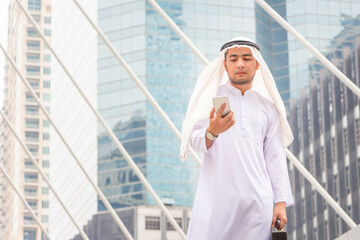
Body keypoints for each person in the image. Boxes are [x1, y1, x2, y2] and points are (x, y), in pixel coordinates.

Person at [180, 37, 294, 240]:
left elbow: (275, 158)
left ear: (257, 64)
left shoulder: (268, 108)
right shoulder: (210, 101)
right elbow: (193, 141)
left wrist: (280, 204)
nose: (240, 64)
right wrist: (212, 131)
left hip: (258, 206)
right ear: (225, 65)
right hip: (217, 203)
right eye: (233, 59)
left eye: (246, 58)